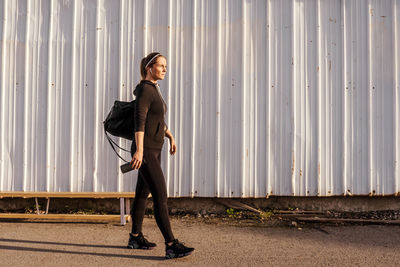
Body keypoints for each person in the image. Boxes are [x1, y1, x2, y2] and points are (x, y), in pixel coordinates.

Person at [127, 52, 194, 259]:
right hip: (146, 151)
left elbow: (155, 119)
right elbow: (140, 122)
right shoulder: (146, 90)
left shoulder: (153, 89)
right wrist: (139, 151)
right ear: (150, 68)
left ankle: (135, 237)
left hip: (154, 149)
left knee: (141, 194)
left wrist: (170, 135)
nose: (165, 69)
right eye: (161, 66)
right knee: (160, 197)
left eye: (165, 66)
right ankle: (171, 245)